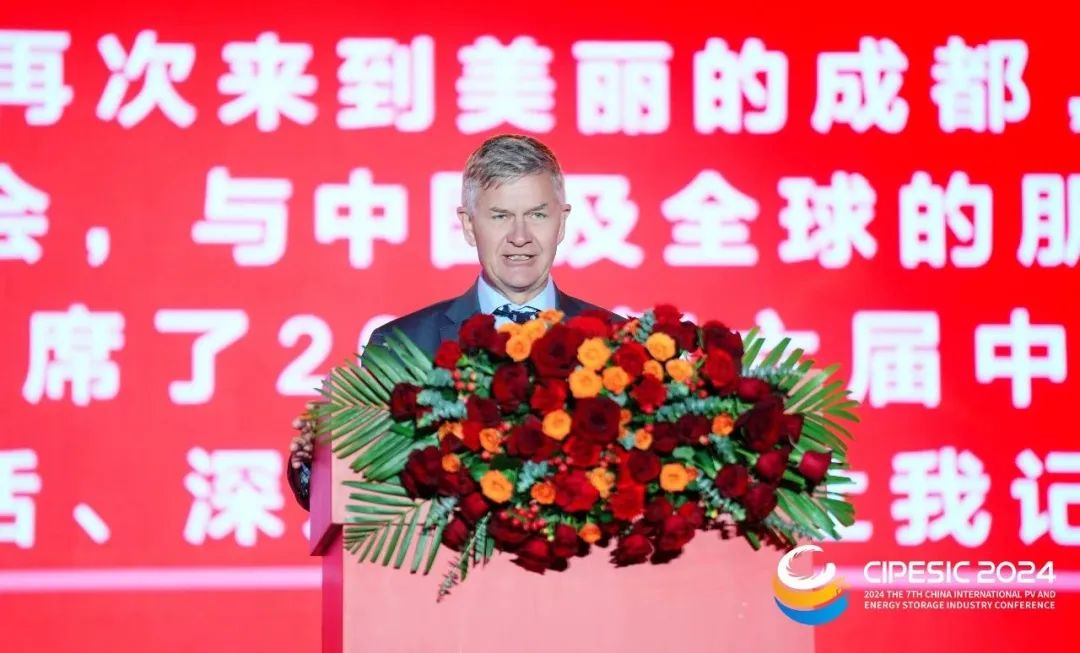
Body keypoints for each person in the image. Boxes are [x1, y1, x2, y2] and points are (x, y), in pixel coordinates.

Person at [287, 134, 622, 509]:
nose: (520, 237)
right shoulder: (402, 345)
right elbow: (367, 486)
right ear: (468, 225)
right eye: (500, 217)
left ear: (561, 223)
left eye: (537, 215)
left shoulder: (619, 342)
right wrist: (317, 462)